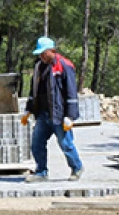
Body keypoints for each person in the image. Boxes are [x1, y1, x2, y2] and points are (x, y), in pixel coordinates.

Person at [21, 36, 83, 182]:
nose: (41, 56)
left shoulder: (64, 66)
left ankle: (77, 167)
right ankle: (41, 172)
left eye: (44, 53)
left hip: (59, 115)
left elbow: (71, 92)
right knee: (37, 143)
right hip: (43, 114)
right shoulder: (38, 67)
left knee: (66, 144)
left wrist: (70, 116)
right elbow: (34, 91)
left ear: (52, 51)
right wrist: (28, 109)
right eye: (40, 53)